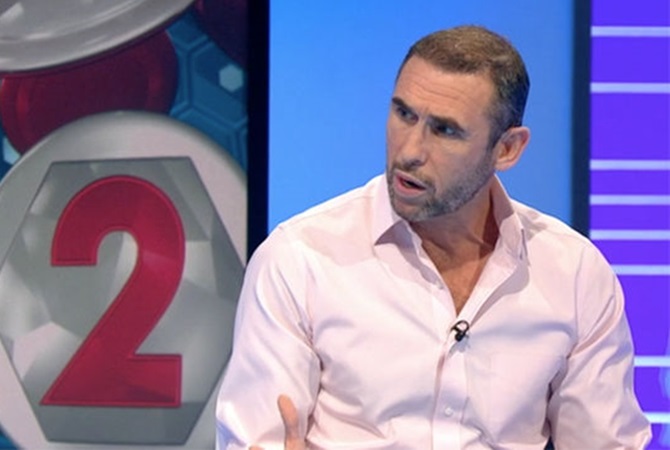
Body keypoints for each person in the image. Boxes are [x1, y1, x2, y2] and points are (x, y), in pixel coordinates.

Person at [216, 25, 651, 449]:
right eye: (404, 114)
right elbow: (256, 440)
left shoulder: (574, 274)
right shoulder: (300, 259)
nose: (409, 151)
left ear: (507, 149)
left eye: (445, 130)